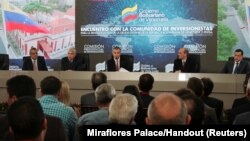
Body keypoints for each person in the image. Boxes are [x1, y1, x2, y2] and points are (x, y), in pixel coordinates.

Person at [0, 75, 66, 141]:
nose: (7, 101)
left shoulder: (3, 124)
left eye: (9, 97)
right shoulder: (56, 124)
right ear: (44, 124)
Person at [39, 76, 77, 141]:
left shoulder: (29, 107)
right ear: (59, 92)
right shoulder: (69, 111)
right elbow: (76, 134)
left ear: (41, 91)